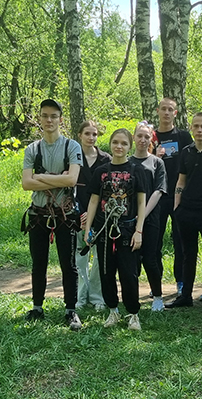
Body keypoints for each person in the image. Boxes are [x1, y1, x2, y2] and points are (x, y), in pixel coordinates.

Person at [21, 99, 84, 330]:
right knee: (39, 263)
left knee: (69, 264)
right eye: (45, 115)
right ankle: (37, 307)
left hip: (65, 214)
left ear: (60, 119)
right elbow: (26, 184)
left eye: (53, 116)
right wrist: (58, 179)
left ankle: (71, 310)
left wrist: (40, 177)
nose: (49, 120)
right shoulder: (32, 149)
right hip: (38, 214)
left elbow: (72, 179)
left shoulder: (72, 147)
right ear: (39, 118)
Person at [83, 129, 148, 330]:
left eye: (124, 143)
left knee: (129, 274)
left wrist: (139, 231)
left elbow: (141, 202)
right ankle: (113, 310)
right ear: (110, 144)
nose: (119, 147)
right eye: (115, 142)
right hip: (104, 230)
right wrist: (88, 229)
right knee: (106, 272)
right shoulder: (101, 171)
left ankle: (133, 314)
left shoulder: (137, 170)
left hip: (127, 230)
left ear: (129, 146)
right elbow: (94, 201)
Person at [167, 112, 202, 312]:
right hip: (186, 211)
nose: (199, 130)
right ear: (191, 128)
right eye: (196, 126)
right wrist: (177, 207)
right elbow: (181, 181)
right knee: (187, 254)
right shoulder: (186, 152)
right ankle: (186, 296)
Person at [153, 98, 193, 295]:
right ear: (158, 111)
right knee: (155, 242)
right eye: (164, 109)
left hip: (179, 197)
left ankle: (181, 282)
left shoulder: (183, 136)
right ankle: (156, 283)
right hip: (157, 196)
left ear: (175, 113)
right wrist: (154, 155)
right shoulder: (151, 137)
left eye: (171, 109)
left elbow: (192, 162)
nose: (167, 113)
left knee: (180, 241)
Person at [130, 122, 168, 311]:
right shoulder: (127, 162)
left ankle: (158, 297)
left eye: (147, 137)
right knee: (131, 260)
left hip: (151, 218)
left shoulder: (157, 163)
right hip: (129, 220)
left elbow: (159, 191)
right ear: (134, 138)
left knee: (150, 258)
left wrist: (143, 215)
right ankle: (132, 298)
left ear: (151, 139)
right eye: (140, 136)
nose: (143, 140)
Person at [74, 120, 108, 311]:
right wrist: (81, 213)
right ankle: (80, 297)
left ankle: (97, 297)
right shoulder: (72, 158)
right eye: (87, 133)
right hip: (78, 216)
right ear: (79, 135)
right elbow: (69, 190)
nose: (91, 137)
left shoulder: (106, 159)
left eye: (94, 134)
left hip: (100, 215)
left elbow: (109, 191)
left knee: (99, 258)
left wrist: (93, 213)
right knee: (80, 257)